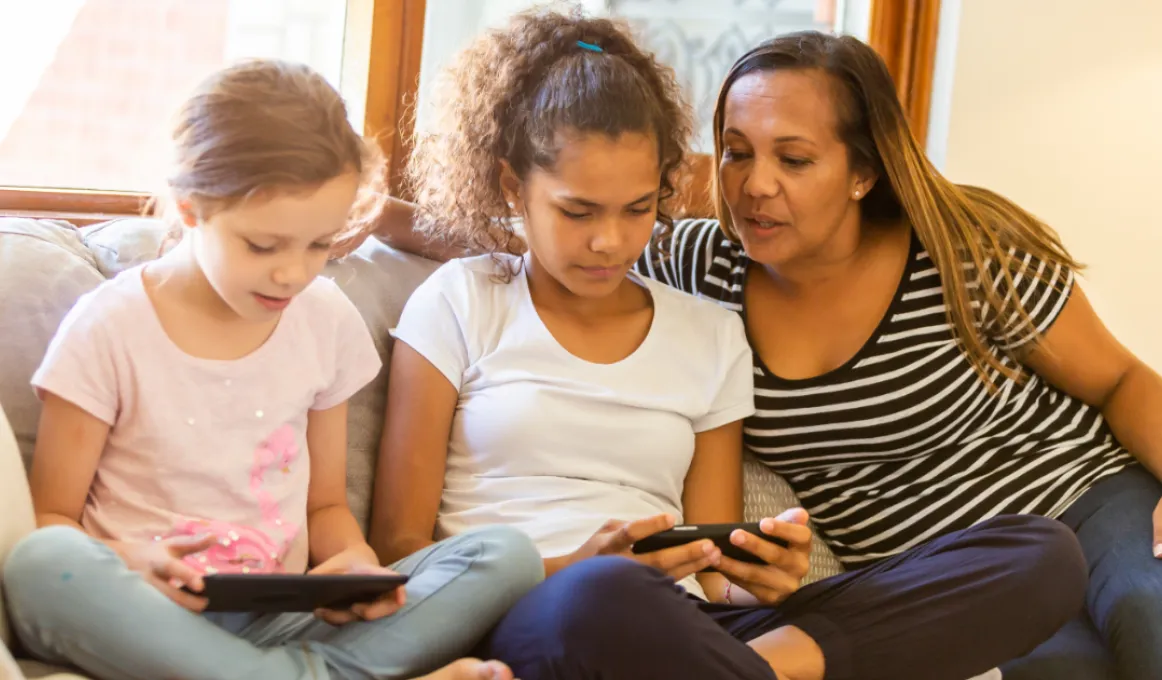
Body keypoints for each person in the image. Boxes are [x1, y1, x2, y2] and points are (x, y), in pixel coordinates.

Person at [367, 10, 1088, 680]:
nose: (610, 241)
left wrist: (756, 574)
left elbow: (713, 569)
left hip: (688, 626)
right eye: (577, 211)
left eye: (639, 209)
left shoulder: (709, 328)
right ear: (512, 187)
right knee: (605, 590)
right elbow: (401, 548)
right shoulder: (461, 300)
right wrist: (566, 567)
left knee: (1041, 555)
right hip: (535, 613)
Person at [2, 59, 543, 680]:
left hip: (281, 619)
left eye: (319, 245)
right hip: (147, 614)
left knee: (505, 555)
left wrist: (352, 561)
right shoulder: (107, 328)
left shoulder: (323, 320)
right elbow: (53, 521)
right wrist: (134, 560)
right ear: (190, 208)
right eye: (263, 246)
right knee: (40, 566)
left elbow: (324, 508)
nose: (294, 273)